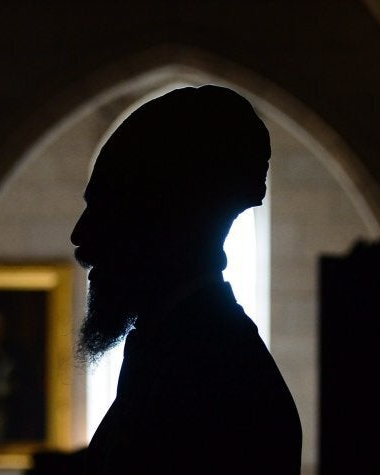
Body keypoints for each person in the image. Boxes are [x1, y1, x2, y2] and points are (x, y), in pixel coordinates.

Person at [72, 85, 301, 474]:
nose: (81, 237)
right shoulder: (183, 353)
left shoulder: (223, 383)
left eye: (105, 209)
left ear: (163, 220)